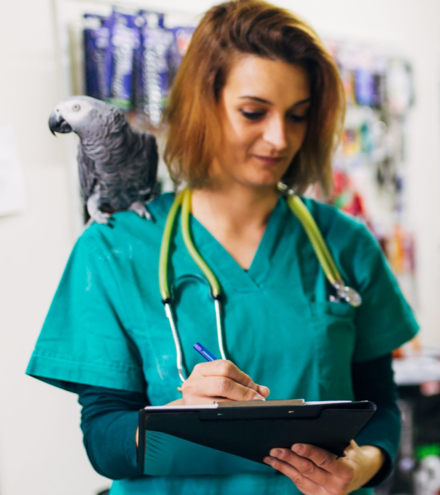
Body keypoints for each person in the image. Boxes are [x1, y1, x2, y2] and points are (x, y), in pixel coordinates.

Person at [26, 1, 417, 494]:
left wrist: (360, 468)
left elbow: (378, 401)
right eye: (253, 112)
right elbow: (104, 442)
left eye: (297, 116)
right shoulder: (114, 247)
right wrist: (175, 418)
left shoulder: (344, 243)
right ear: (202, 105)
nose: (279, 138)